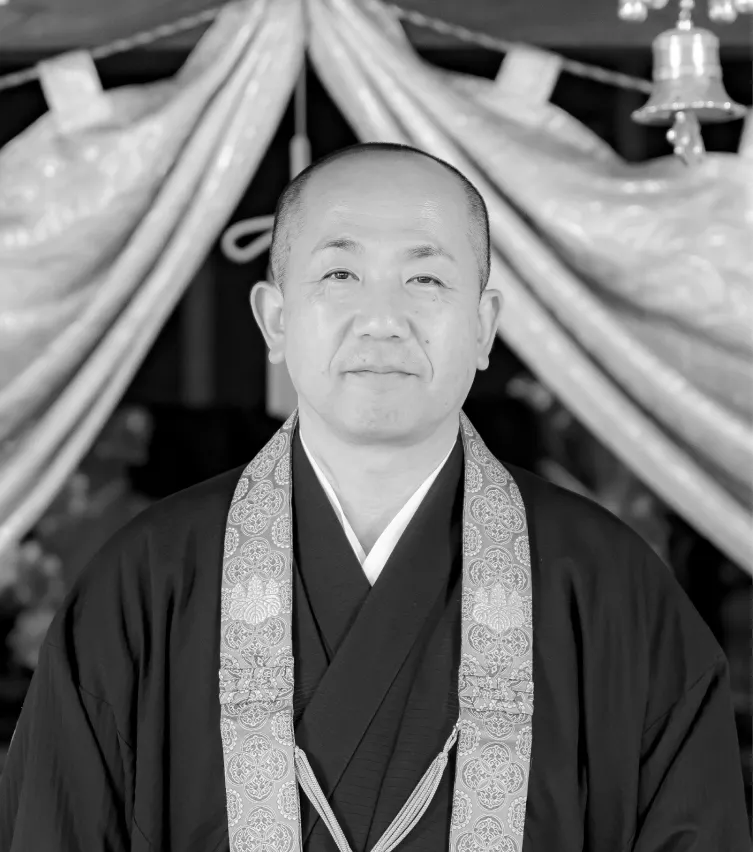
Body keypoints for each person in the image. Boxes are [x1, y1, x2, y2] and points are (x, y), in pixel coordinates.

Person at [0, 142, 749, 852]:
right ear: (275, 319)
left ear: (484, 326)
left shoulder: (608, 586)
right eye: (339, 275)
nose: (384, 320)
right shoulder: (146, 582)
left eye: (425, 280)